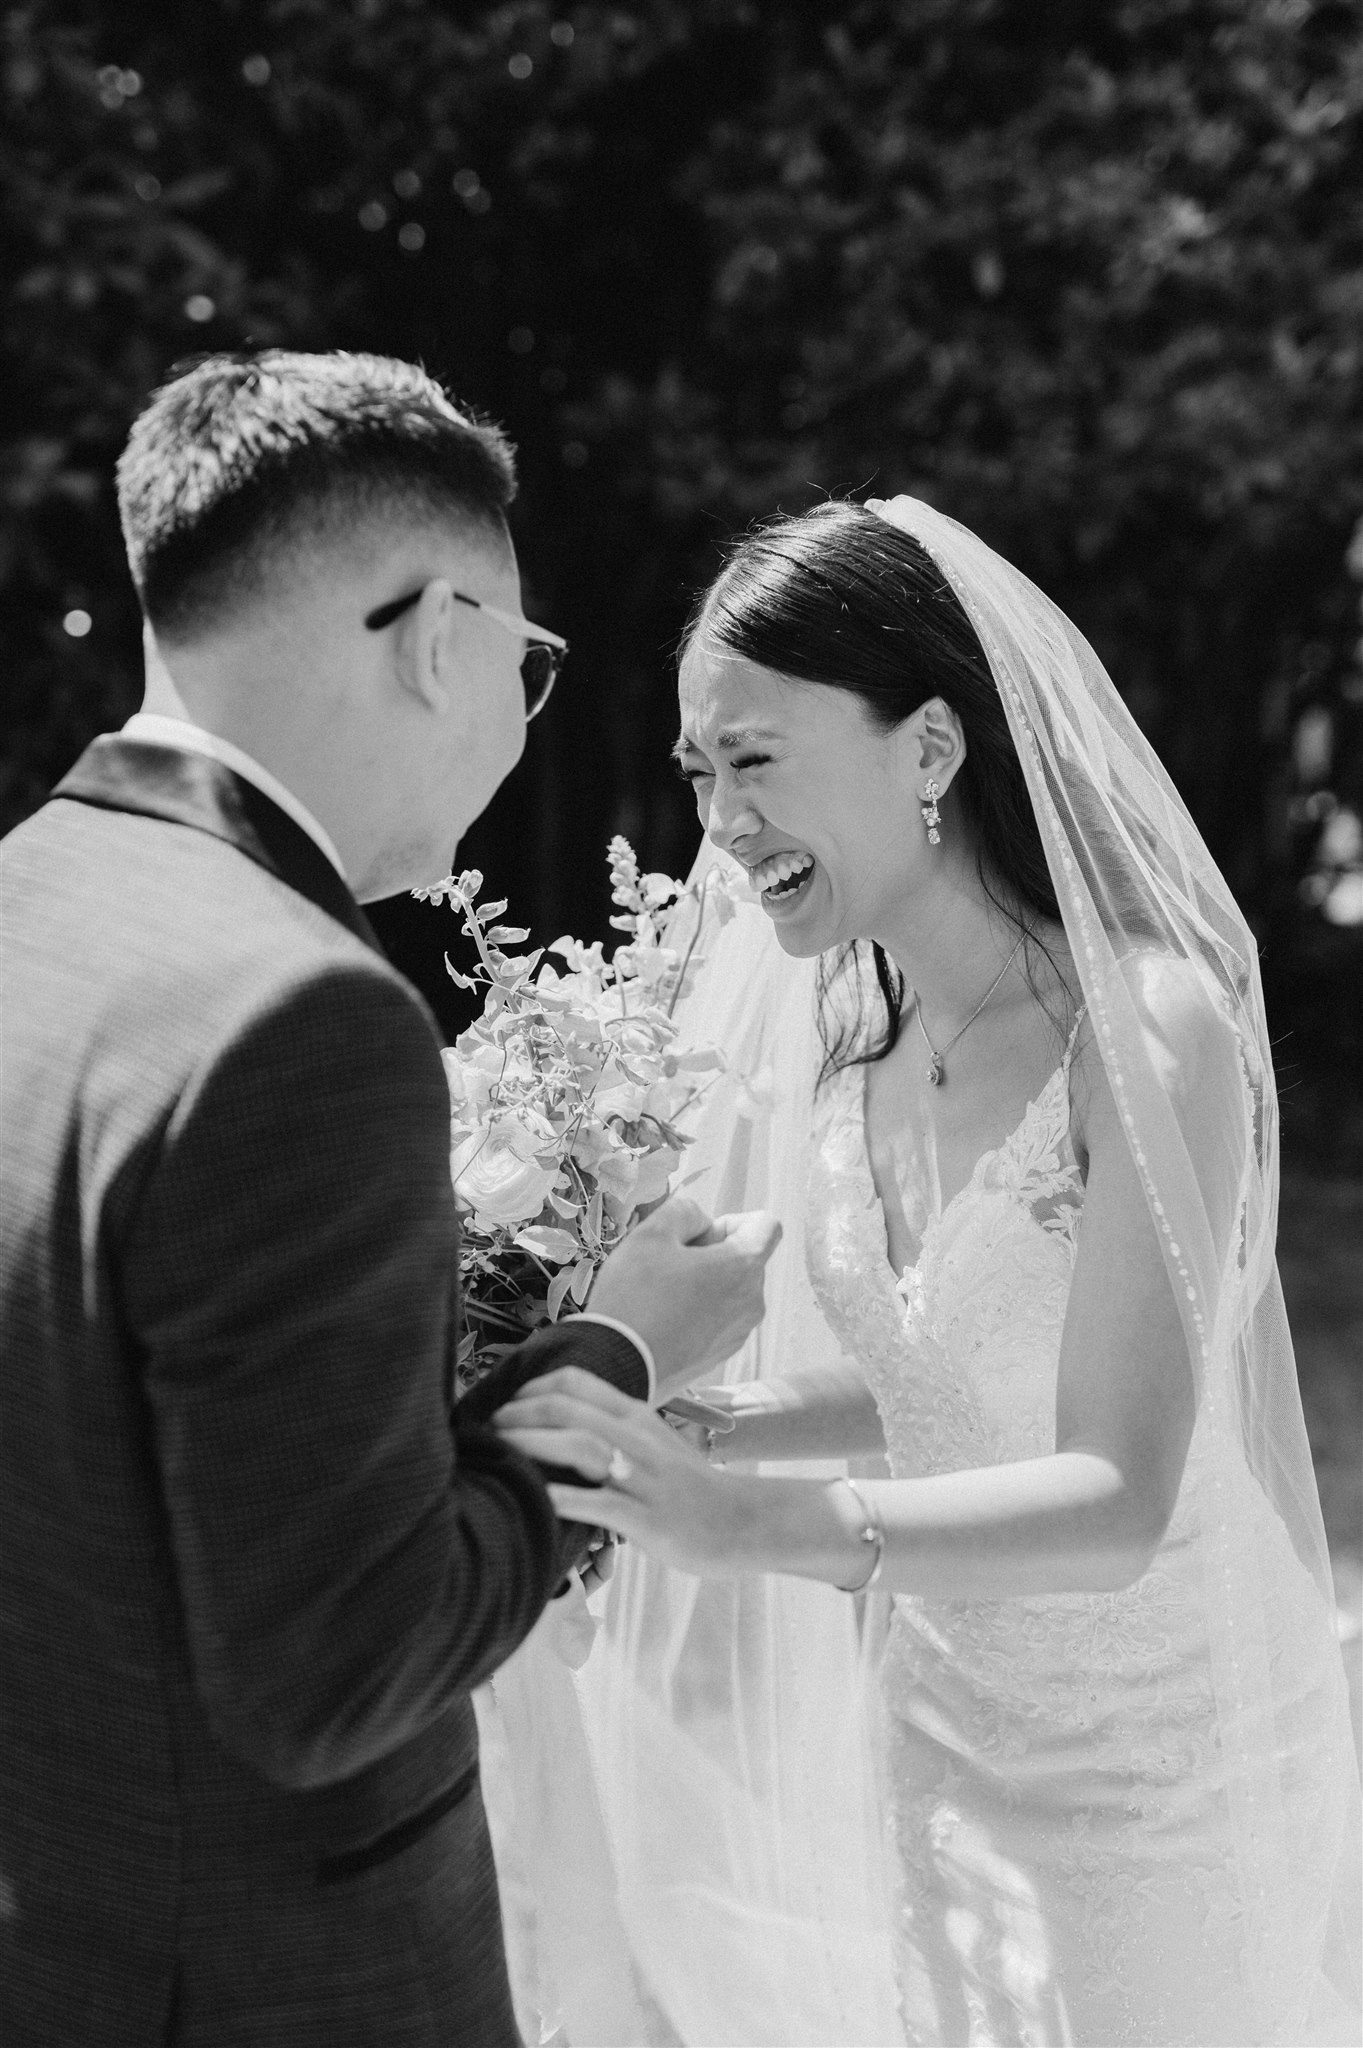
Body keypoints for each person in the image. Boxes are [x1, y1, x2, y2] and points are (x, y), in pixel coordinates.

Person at [493, 496, 1363, 2047]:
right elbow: (944, 1384)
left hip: (1168, 1781)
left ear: (933, 748)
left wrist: (739, 1518)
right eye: (702, 774)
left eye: (755, 761)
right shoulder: (857, 1043)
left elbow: (1112, 1490)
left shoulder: (1146, 1036)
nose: (721, 826)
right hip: (946, 1742)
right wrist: (706, 1426)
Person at [0, 349, 779, 2048]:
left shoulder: (28, 898)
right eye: (532, 661)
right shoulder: (309, 1017)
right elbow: (337, 1665)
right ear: (441, 641)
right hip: (274, 1979)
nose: (522, 711)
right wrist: (620, 1353)